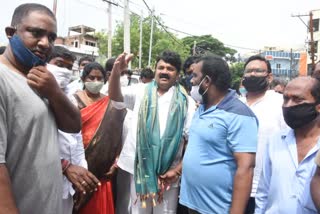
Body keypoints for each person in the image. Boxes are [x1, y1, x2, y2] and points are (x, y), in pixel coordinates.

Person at [0, 3, 81, 213]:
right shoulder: (2, 79)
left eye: (52, 37)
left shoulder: (41, 78)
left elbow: (73, 125)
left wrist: (54, 92)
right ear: (11, 33)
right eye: (36, 33)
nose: (45, 43)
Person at [109, 51, 196, 214]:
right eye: (161, 67)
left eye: (170, 69)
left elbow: (192, 141)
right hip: (140, 168)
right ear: (155, 70)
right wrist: (116, 71)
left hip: (168, 173)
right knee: (138, 211)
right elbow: (115, 97)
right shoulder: (140, 90)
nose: (164, 71)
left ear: (177, 75)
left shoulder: (187, 102)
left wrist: (177, 170)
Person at [180, 55, 258, 214]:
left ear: (207, 81)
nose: (191, 81)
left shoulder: (240, 115)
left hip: (217, 208)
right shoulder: (201, 108)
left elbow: (246, 168)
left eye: (195, 76)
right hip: (193, 203)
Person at [47, 46, 100, 214]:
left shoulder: (70, 99)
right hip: (43, 180)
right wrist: (65, 167)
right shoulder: (36, 94)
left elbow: (75, 139)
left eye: (69, 67)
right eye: (59, 65)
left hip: (69, 185)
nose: (64, 71)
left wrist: (81, 173)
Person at [255, 76, 320, 213]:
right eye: (286, 99)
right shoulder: (275, 140)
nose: (289, 105)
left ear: (318, 106)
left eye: (298, 99)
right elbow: (263, 191)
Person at [71, 62, 127, 214]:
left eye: (99, 78)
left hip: (104, 171)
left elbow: (117, 134)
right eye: (91, 77)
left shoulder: (109, 102)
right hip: (79, 168)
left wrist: (115, 162)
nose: (96, 81)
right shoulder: (72, 101)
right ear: (83, 79)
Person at [240, 55, 287, 213]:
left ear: (269, 76)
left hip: (265, 188)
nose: (252, 74)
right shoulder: (235, 104)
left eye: (258, 71)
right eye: (249, 71)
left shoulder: (281, 103)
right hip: (232, 185)